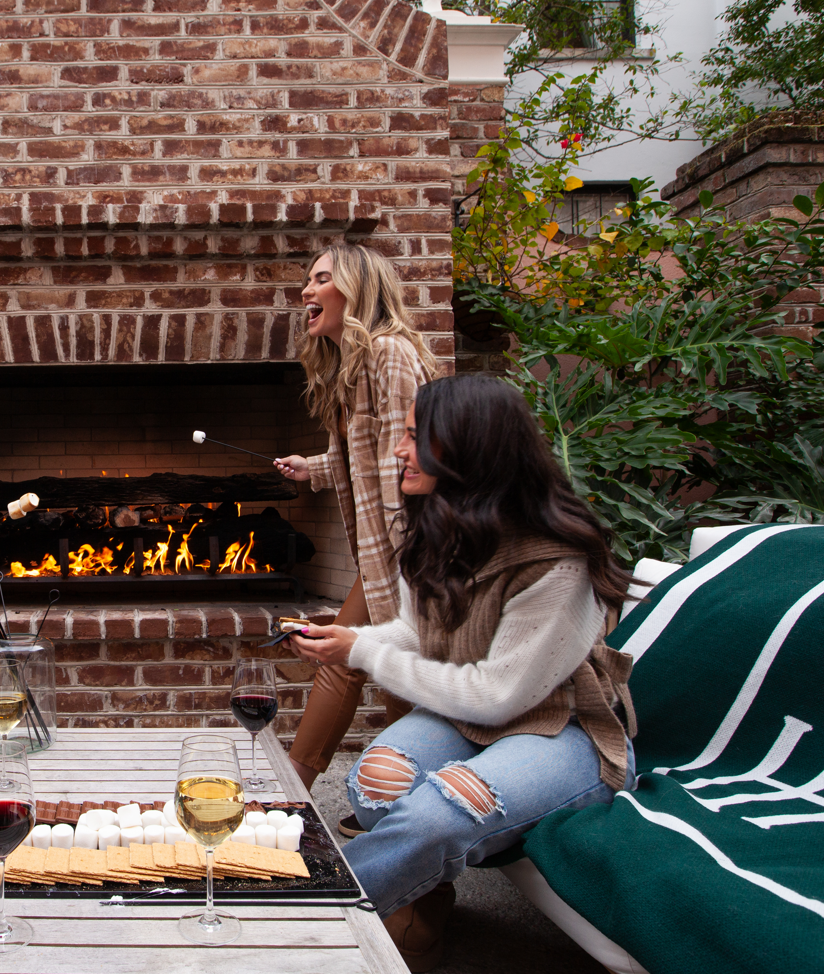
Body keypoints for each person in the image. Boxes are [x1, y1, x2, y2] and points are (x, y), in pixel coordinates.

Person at [284, 375, 637, 971]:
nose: (399, 449)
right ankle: (423, 907)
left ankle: (295, 929)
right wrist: (349, 641)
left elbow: (497, 695)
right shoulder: (431, 526)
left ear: (470, 446)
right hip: (465, 721)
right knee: (375, 784)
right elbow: (415, 637)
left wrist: (364, 655)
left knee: (439, 812)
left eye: (416, 436)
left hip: (563, 727)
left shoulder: (555, 557)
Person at [273, 244, 437, 793]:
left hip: (407, 547)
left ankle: (403, 803)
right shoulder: (353, 364)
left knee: (383, 672)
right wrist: (313, 467)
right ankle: (308, 791)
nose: (307, 291)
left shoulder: (389, 354)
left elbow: (408, 460)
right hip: (382, 549)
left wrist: (402, 563)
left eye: (322, 279)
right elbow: (365, 453)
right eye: (309, 280)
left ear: (357, 288)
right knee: (346, 659)